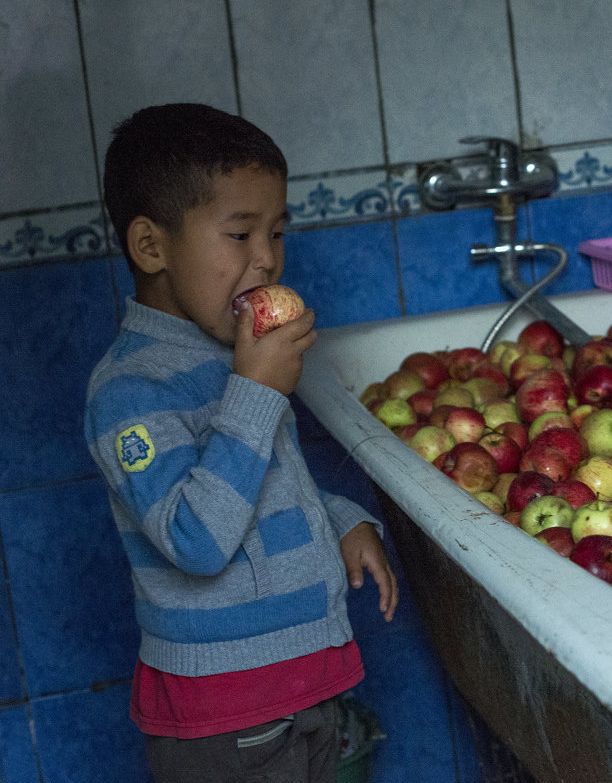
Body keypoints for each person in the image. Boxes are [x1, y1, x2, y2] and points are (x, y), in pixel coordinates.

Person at [85, 103, 399, 783]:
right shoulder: (130, 391)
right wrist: (256, 392)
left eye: (277, 232)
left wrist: (340, 521)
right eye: (239, 234)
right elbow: (197, 539)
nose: (267, 259)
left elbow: (264, 483)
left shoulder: (235, 354)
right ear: (151, 247)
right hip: (224, 718)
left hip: (298, 689)